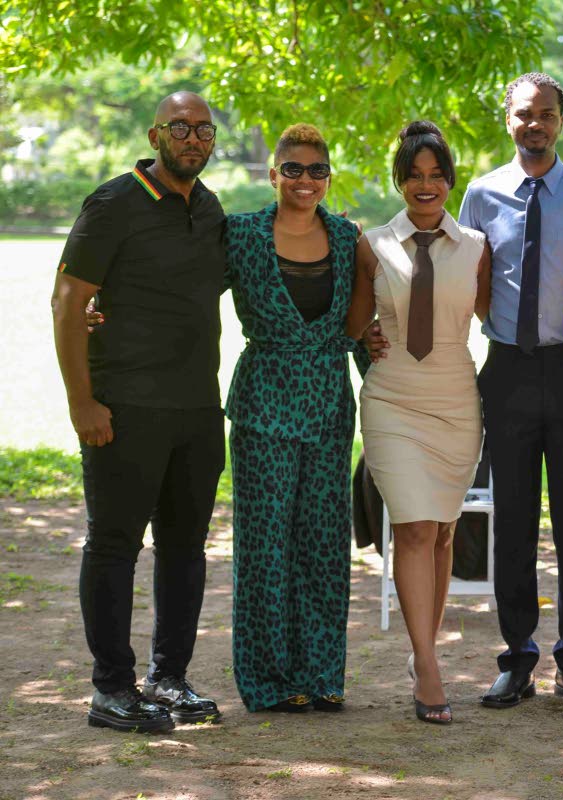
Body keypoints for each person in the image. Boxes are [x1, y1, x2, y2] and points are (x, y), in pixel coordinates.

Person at [50, 91, 224, 732]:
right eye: (181, 128)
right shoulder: (113, 201)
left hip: (199, 411)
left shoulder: (208, 210)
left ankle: (168, 679)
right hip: (122, 410)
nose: (193, 139)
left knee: (185, 549)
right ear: (156, 134)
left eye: (204, 131)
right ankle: (111, 691)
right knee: (115, 546)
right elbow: (70, 301)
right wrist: (82, 402)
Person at [458, 72, 563, 710]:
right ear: (509, 117)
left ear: (561, 119)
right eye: (525, 113)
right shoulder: (480, 194)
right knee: (513, 518)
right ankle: (517, 657)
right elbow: (470, 280)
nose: (536, 124)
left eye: (547, 114)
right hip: (508, 370)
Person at [346, 121, 492, 724]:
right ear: (400, 182)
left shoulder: (478, 246)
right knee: (411, 527)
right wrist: (366, 332)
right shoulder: (370, 244)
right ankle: (429, 666)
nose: (425, 186)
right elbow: (352, 322)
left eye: (435, 176)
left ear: (450, 181)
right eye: (414, 176)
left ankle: (422, 653)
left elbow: (499, 318)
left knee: (441, 533)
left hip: (456, 400)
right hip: (393, 399)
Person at [223, 124, 361, 714]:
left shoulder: (349, 239)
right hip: (264, 409)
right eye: (294, 169)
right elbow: (178, 286)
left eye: (317, 171)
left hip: (330, 406)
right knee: (264, 549)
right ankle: (268, 680)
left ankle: (321, 674)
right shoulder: (242, 235)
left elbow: (364, 321)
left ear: (328, 179)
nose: (306, 180)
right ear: (273, 174)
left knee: (325, 547)